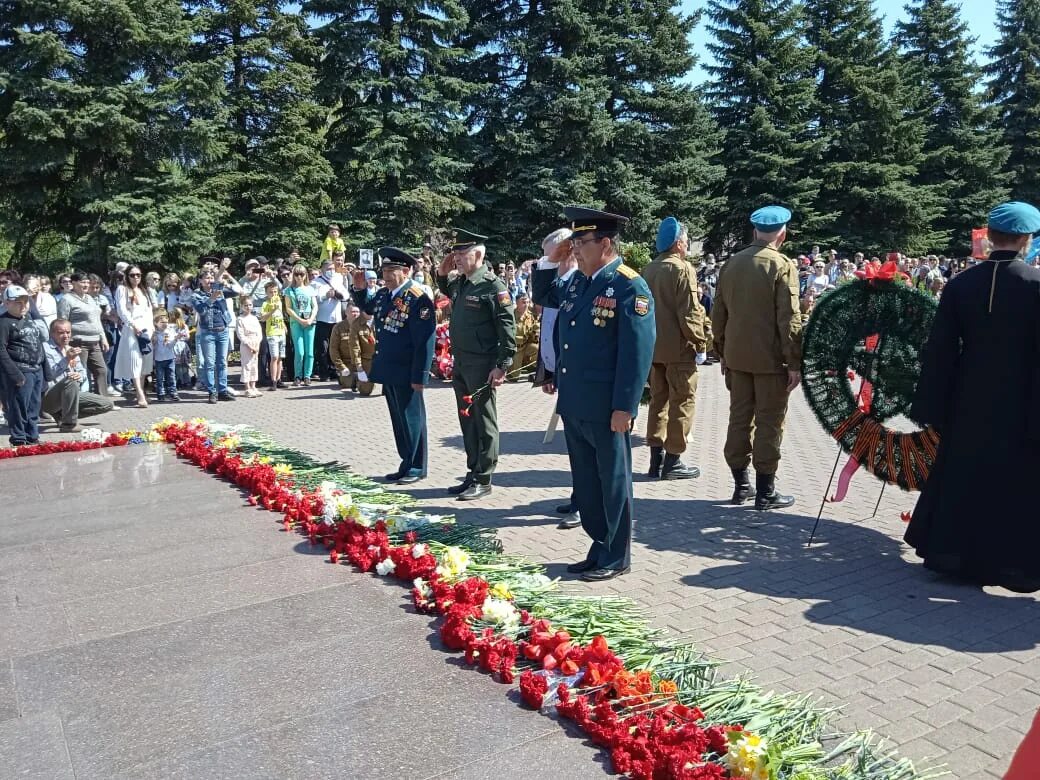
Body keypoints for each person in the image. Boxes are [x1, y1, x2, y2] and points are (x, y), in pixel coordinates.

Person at [907, 201, 1040, 592]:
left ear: (992, 237)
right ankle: (1007, 564)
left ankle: (953, 555)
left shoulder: (960, 284)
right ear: (1025, 239)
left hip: (969, 396)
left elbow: (941, 349)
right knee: (1014, 480)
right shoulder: (1036, 286)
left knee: (964, 472)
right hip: (1021, 399)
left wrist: (933, 403)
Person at [531, 207, 655, 581]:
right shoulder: (577, 282)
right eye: (573, 243)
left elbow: (636, 353)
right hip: (576, 403)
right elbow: (545, 296)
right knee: (586, 483)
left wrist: (625, 407)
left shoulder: (628, 286)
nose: (575, 249)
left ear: (605, 243)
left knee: (613, 481)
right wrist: (551, 259)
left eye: (581, 243)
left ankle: (616, 555)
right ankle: (598, 546)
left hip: (606, 407)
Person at [711, 205, 801, 510]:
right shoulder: (781, 265)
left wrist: (721, 352)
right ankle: (765, 491)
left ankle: (741, 486)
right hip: (770, 362)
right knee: (769, 423)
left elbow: (718, 315)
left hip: (736, 358)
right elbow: (789, 319)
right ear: (783, 234)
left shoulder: (732, 263)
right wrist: (794, 362)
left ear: (755, 231)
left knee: (739, 420)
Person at [436, 229, 517, 500]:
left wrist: (502, 365)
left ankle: (484, 477)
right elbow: (445, 287)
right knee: (467, 419)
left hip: (483, 365)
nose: (456, 258)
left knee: (484, 421)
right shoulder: (462, 283)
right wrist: (441, 271)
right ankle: (472, 472)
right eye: (455, 253)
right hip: (462, 362)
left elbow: (507, 330)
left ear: (478, 254)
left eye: (462, 253)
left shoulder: (493, 286)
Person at [350, 248, 437, 483]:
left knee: (412, 418)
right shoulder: (383, 294)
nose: (385, 275)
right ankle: (406, 462)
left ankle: (418, 467)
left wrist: (420, 376)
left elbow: (425, 341)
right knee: (399, 420)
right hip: (388, 367)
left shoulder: (418, 298)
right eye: (384, 270)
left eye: (391, 271)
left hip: (408, 369)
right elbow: (369, 307)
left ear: (406, 271)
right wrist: (359, 289)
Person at [641, 217, 708, 480]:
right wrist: (701, 342)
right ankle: (673, 461)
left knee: (658, 402)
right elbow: (689, 312)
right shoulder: (682, 269)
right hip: (679, 350)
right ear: (679, 243)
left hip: (655, 349)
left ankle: (655, 461)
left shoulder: (649, 269)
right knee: (682, 402)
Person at [42, 319, 114, 430]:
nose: (65, 336)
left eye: (68, 332)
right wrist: (66, 359)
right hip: (50, 396)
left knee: (107, 404)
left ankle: (63, 416)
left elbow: (82, 371)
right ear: (52, 333)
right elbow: (49, 374)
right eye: (61, 333)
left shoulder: (70, 348)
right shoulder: (45, 349)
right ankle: (69, 424)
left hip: (71, 393)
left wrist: (80, 376)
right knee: (70, 380)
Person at [0, 286, 49, 445]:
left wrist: (45, 370)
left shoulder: (28, 318)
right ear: (7, 303)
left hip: (36, 369)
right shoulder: (4, 323)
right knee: (19, 407)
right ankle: (19, 439)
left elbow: (38, 343)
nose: (23, 306)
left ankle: (32, 436)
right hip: (20, 370)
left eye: (26, 302)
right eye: (18, 303)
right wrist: (15, 374)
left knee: (33, 407)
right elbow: (1, 351)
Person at [191, 266, 240, 404]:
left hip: (223, 330)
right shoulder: (196, 294)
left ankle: (222, 391)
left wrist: (227, 279)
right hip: (208, 333)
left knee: (222, 363)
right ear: (200, 280)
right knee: (210, 363)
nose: (209, 280)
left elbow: (239, 291)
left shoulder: (220, 289)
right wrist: (211, 298)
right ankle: (212, 391)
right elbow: (200, 310)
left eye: (212, 277)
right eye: (206, 278)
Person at [57, 273, 109, 396]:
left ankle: (103, 401)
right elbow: (62, 321)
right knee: (80, 373)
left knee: (101, 370)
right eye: (82, 282)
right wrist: (65, 344)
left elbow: (97, 320)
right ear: (74, 283)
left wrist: (104, 338)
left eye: (87, 282)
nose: (86, 285)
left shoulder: (90, 298)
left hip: (94, 341)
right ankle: (78, 401)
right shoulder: (67, 299)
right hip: (78, 342)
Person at [113, 265, 154, 408]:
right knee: (135, 361)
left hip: (146, 328)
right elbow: (121, 310)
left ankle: (141, 391)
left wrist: (151, 329)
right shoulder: (122, 289)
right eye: (132, 275)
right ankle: (140, 394)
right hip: (131, 328)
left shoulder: (144, 291)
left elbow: (149, 311)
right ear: (126, 276)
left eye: (138, 275)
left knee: (145, 362)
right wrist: (133, 324)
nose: (136, 277)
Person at [311, 257, 348, 381]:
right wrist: (325, 296)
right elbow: (313, 300)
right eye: (328, 269)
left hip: (336, 318)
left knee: (335, 346)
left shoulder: (338, 278)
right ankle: (323, 372)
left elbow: (346, 295)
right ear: (322, 269)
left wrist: (339, 294)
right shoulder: (316, 282)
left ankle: (334, 370)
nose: (331, 271)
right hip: (322, 319)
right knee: (323, 348)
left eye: (332, 269)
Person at [284, 264, 317, 386]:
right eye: (296, 274)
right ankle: (297, 375)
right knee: (300, 352)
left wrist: (310, 319)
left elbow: (315, 306)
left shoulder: (310, 289)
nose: (299, 277)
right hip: (296, 323)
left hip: (310, 323)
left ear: (305, 275)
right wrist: (299, 320)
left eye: (301, 274)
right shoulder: (289, 290)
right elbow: (288, 308)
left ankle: (307, 376)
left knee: (309, 352)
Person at [259, 280, 287, 391]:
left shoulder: (279, 301)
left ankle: (278, 379)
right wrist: (272, 310)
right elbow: (263, 318)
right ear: (266, 293)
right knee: (274, 357)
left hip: (281, 332)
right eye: (271, 292)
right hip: (272, 333)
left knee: (280, 357)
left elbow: (280, 315)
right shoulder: (265, 304)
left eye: (275, 292)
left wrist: (284, 326)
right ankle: (273, 380)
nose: (273, 294)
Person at [235, 296, 263, 398]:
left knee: (254, 365)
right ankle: (247, 388)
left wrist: (257, 343)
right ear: (242, 306)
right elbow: (240, 334)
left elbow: (259, 332)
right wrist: (249, 345)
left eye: (250, 305)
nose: (248, 307)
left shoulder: (254, 318)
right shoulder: (240, 319)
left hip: (255, 342)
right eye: (245, 305)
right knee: (246, 365)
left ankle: (253, 386)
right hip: (246, 344)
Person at [151, 310, 181, 402]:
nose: (165, 324)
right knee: (160, 378)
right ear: (156, 323)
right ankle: (160, 393)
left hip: (170, 358)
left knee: (171, 377)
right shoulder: (154, 334)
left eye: (166, 322)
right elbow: (152, 346)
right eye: (162, 322)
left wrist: (175, 339)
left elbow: (169, 346)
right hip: (159, 359)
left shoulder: (169, 332)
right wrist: (153, 340)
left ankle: (172, 393)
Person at [509, 292, 539, 380]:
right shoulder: (511, 316)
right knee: (513, 377)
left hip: (526, 346)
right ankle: (517, 366)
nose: (526, 304)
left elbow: (535, 329)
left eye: (527, 302)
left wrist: (537, 332)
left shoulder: (530, 316)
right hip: (515, 349)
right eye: (523, 302)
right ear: (517, 303)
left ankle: (529, 365)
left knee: (538, 349)